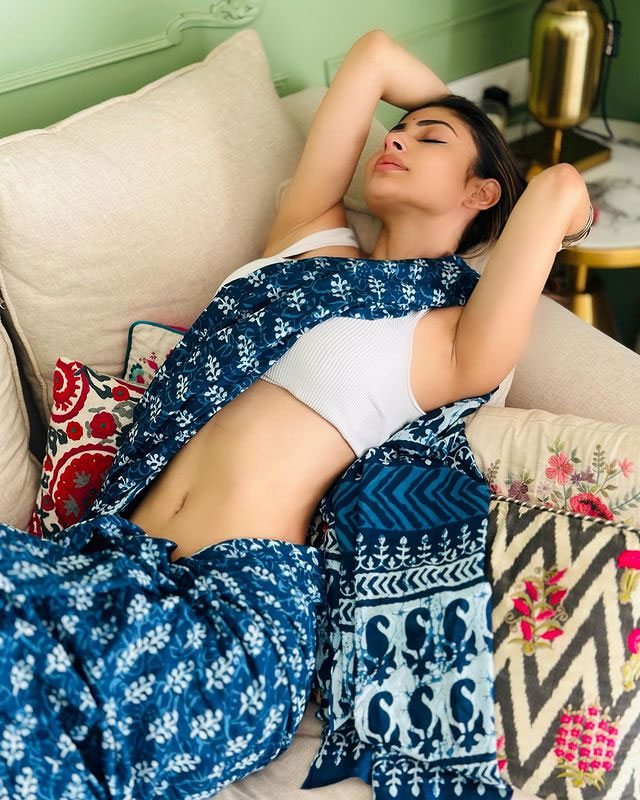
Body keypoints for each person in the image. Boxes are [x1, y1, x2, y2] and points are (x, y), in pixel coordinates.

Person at [0, 28, 592, 800]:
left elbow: (559, 189)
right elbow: (373, 56)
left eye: (428, 140)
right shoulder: (309, 242)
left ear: (481, 194)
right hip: (115, 560)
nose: (396, 139)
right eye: (399, 129)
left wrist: (485, 149)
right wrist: (444, 126)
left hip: (236, 613)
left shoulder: (454, 340)